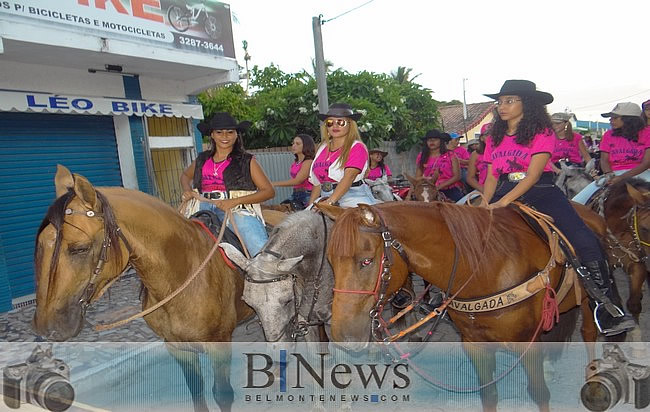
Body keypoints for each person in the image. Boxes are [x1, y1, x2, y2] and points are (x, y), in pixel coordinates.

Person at [482, 79, 635, 336]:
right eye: (500, 102)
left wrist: (505, 202)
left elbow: (532, 175)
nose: (502, 107)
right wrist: (485, 204)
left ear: (526, 103)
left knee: (585, 240)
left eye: (509, 101)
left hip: (541, 193)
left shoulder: (542, 132)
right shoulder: (495, 136)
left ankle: (607, 308)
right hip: (502, 191)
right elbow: (491, 176)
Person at [180, 112, 274, 256]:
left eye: (230, 132)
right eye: (219, 132)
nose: (225, 136)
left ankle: (270, 273)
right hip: (201, 206)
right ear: (212, 135)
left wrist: (234, 201)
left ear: (237, 135)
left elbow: (268, 191)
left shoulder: (247, 160)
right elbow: (185, 176)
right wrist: (187, 190)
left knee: (259, 249)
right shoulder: (202, 159)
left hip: (235, 210)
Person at [573, 102, 650, 204]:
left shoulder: (647, 133)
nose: (610, 120)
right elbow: (604, 160)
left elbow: (646, 163)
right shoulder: (608, 135)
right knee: (577, 202)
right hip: (613, 174)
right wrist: (609, 175)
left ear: (629, 119)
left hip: (641, 173)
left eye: (615, 118)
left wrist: (622, 178)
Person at [308, 103, 378, 207]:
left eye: (340, 122)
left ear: (350, 125)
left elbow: (349, 177)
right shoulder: (322, 148)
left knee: (357, 222)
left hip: (353, 197)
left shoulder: (357, 147)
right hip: (324, 197)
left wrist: (330, 202)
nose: (335, 126)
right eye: (330, 122)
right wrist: (311, 206)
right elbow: (317, 184)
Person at [416, 129, 463, 201]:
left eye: (435, 139)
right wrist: (425, 180)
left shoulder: (451, 155)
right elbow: (418, 177)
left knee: (461, 207)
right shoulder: (422, 156)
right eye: (429, 140)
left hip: (449, 190)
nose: (432, 142)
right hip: (428, 190)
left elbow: (457, 176)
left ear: (441, 141)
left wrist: (439, 186)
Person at [272, 134, 316, 210]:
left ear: (306, 146)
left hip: (306, 195)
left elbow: (297, 181)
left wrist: (273, 184)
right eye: (293, 143)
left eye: (297, 144)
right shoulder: (296, 163)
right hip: (296, 194)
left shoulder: (308, 162)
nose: (293, 146)